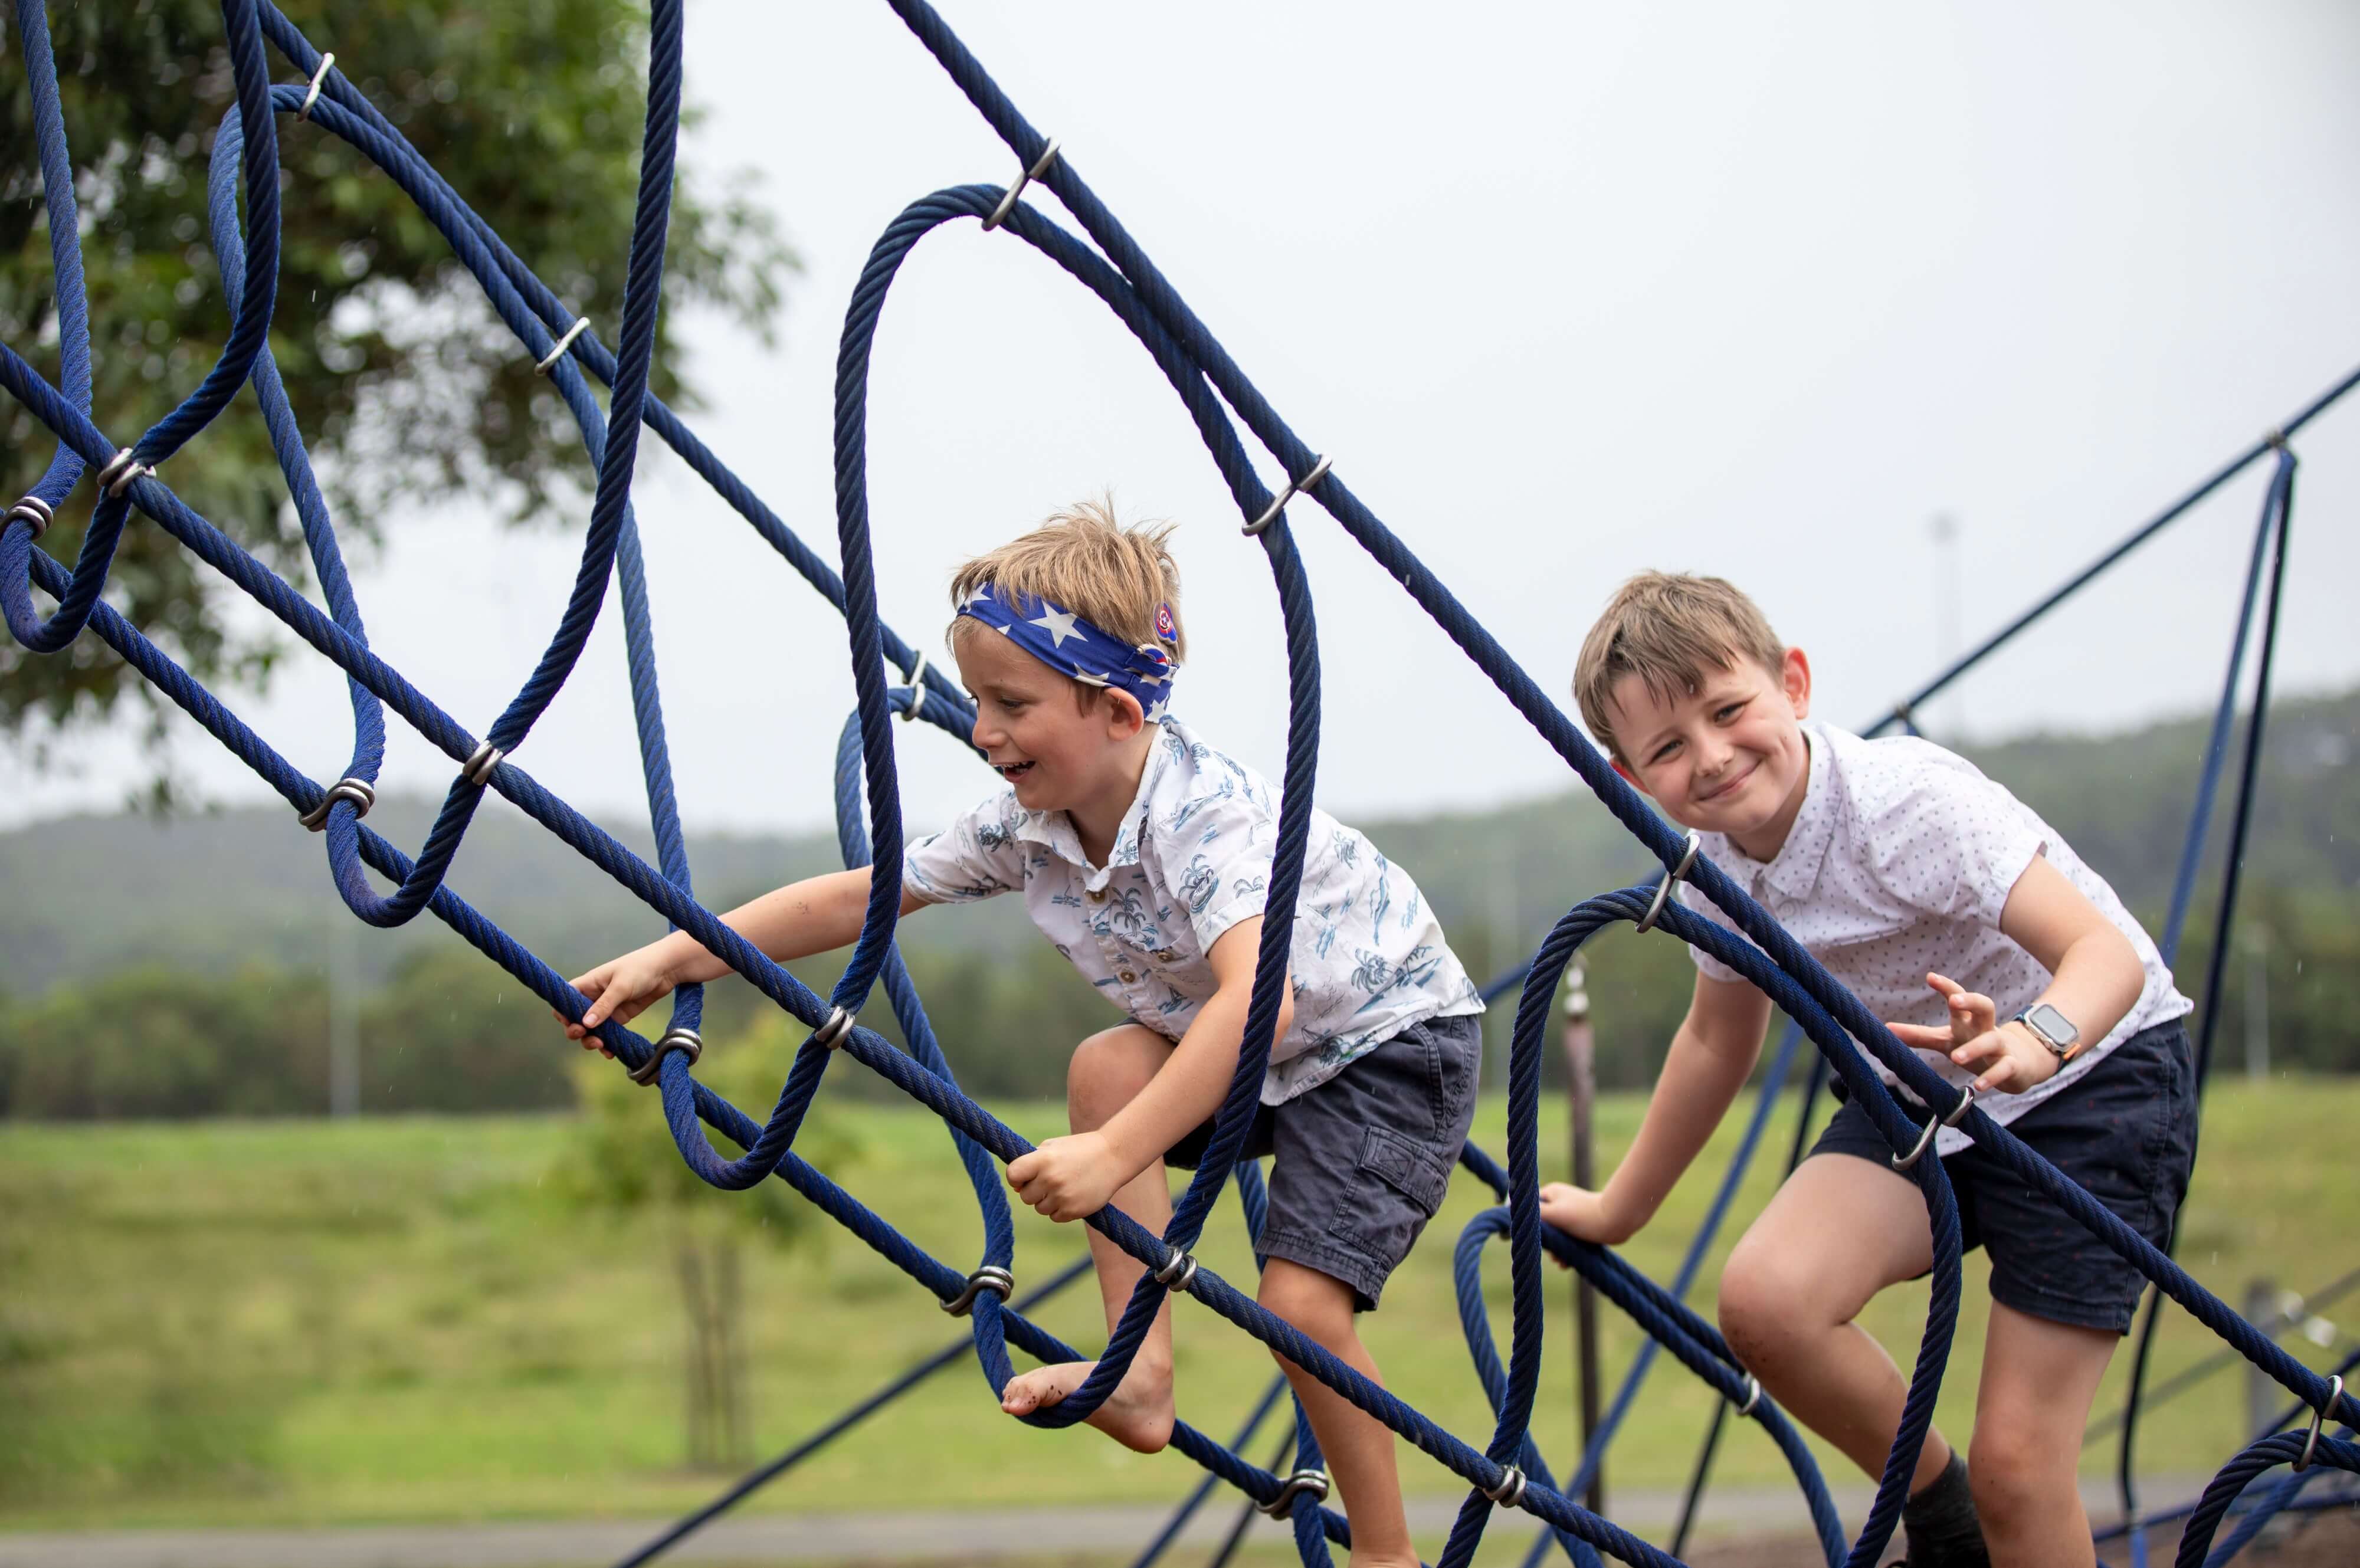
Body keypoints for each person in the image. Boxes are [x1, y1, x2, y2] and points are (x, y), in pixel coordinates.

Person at [559, 502, 1484, 1568]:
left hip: (1385, 1047)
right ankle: (1139, 1375)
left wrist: (1113, 1154)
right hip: (1270, 1048)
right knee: (1105, 1064)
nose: (984, 731)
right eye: (977, 702)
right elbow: (862, 896)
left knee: (1298, 1300)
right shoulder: (1026, 824)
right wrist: (673, 956)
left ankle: (1386, 1553)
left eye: (1011, 704)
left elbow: (1258, 1001)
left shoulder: (1203, 818)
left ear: (1119, 711)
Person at [1542, 572, 2195, 1568]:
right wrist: (1618, 1208)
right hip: (1924, 1100)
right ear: (1634, 780)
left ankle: (1995, 1505)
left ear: (1793, 683)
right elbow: (1720, 1036)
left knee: (2025, 1466)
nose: (1712, 758)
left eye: (1729, 710)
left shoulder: (1910, 806)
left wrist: (2034, 1037)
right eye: (1668, 747)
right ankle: (1943, 1514)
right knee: (1767, 1301)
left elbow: (2103, 953)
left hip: (2091, 1080)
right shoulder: (1708, 869)